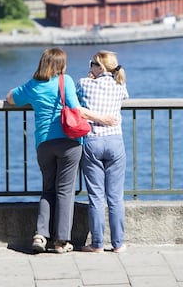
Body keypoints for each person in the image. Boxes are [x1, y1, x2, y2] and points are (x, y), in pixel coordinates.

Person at [5, 47, 113, 254]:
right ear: (61, 65)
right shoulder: (66, 81)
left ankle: (40, 235)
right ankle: (61, 241)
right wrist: (101, 118)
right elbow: (75, 108)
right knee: (64, 191)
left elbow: (11, 98)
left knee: (47, 189)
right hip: (69, 143)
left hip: (44, 143)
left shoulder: (33, 85)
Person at [76, 50, 129, 253]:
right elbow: (124, 97)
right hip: (115, 141)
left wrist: (90, 78)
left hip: (93, 141)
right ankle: (118, 244)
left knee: (96, 196)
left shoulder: (84, 83)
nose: (89, 66)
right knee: (115, 197)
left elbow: (75, 103)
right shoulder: (120, 84)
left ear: (99, 66)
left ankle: (97, 244)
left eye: (92, 63)